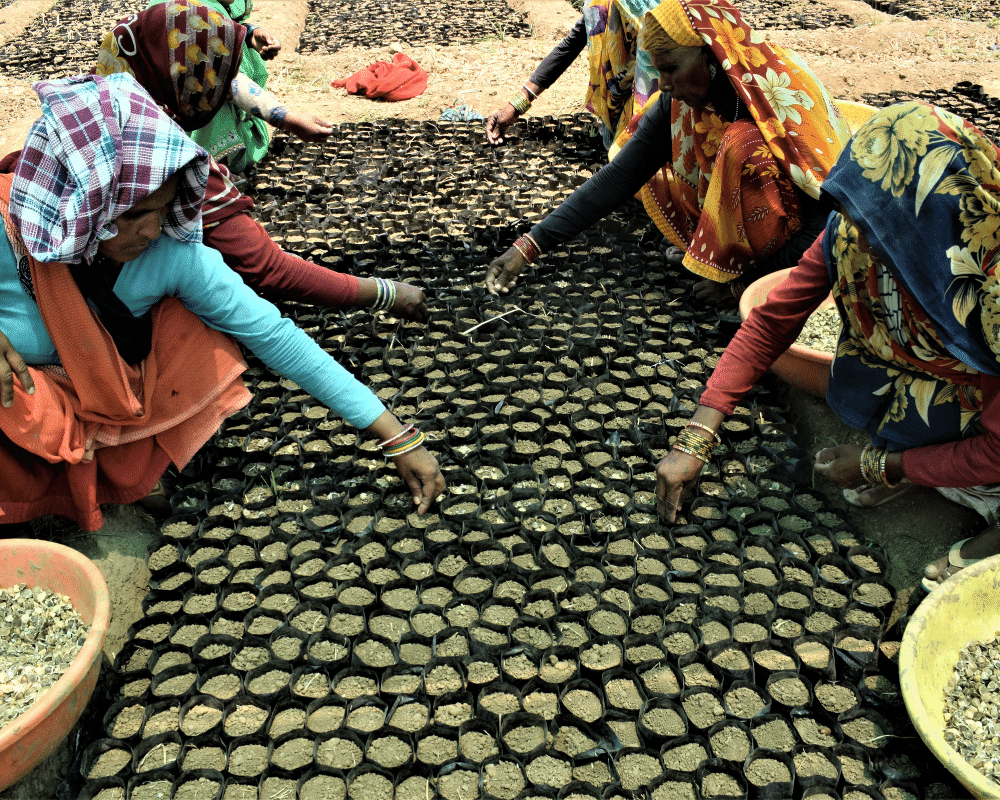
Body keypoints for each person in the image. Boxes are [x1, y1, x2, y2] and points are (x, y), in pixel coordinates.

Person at [0, 73, 445, 532]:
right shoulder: (10, 233)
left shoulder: (172, 253)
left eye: (162, 209)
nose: (152, 231)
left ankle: (123, 460)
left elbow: (274, 335)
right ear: (81, 203)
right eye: (132, 215)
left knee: (190, 330)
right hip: (25, 409)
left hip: (110, 397)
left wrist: (396, 435)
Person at [654, 100, 1000, 593]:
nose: (857, 237)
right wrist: (696, 436)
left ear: (934, 224)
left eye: (882, 230)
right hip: (956, 393)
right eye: (855, 216)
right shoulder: (855, 230)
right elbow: (771, 323)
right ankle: (917, 459)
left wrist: (877, 465)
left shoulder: (988, 289)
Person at [485, 0, 850, 306]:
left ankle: (742, 264)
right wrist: (529, 245)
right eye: (659, 72)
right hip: (769, 224)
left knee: (743, 145)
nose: (666, 85)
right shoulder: (678, 104)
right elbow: (617, 179)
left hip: (811, 236)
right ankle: (719, 253)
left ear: (712, 55)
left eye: (673, 68)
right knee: (661, 158)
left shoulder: (775, 95)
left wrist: (743, 285)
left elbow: (827, 225)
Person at [81, 0, 427, 320]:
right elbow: (268, 267)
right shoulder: (166, 160)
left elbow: (210, 70)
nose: (212, 91)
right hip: (115, 313)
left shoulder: (94, 107)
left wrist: (284, 117)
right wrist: (388, 293)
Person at [149, 0, 318, 173]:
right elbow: (228, 83)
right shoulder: (196, 15)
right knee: (212, 101)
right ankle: (208, 168)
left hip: (156, 122)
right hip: (164, 135)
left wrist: (247, 33)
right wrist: (289, 120)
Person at [484, 0, 659, 149]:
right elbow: (571, 45)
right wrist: (516, 104)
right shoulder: (601, 4)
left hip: (660, 98)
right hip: (621, 100)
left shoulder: (655, 7)